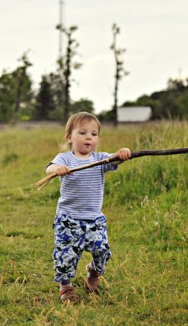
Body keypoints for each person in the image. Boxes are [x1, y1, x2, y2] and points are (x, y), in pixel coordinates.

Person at [45, 111, 131, 304]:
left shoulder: (100, 159)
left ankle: (93, 273)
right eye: (82, 133)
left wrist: (122, 153)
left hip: (94, 219)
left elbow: (115, 158)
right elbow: (49, 168)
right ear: (69, 137)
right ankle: (66, 286)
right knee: (66, 255)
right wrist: (56, 170)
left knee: (102, 250)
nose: (88, 137)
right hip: (68, 219)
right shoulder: (65, 159)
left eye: (93, 134)